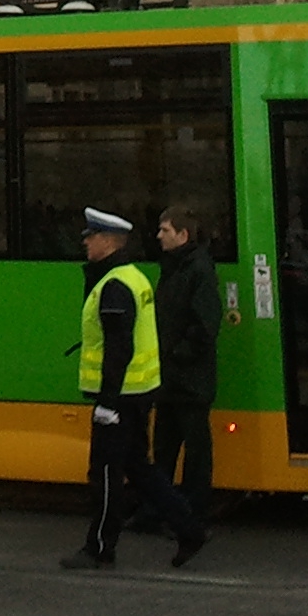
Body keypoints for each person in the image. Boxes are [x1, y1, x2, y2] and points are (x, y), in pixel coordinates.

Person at [62, 207, 207, 571]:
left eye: (91, 237)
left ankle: (99, 548)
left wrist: (107, 402)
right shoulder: (133, 277)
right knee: (139, 468)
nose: (85, 243)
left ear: (109, 242)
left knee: (105, 473)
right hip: (139, 392)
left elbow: (118, 348)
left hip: (121, 397)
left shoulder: (114, 286)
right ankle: (189, 529)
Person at [146, 204, 221, 527]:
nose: (159, 235)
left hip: (189, 379)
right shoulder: (176, 267)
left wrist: (176, 354)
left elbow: (205, 325)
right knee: (163, 448)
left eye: (165, 230)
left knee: (194, 453)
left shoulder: (197, 270)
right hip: (172, 378)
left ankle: (190, 514)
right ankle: (159, 511)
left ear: (183, 234)